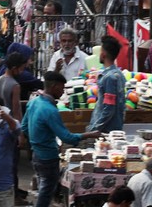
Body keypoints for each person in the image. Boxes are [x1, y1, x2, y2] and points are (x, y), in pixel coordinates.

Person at [24, 72, 99, 207]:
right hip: (48, 157)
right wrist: (89, 134)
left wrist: (36, 139)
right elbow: (66, 137)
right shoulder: (50, 110)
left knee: (44, 188)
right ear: (54, 86)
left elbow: (24, 127)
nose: (63, 92)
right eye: (62, 88)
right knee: (46, 192)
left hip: (36, 154)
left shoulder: (34, 103)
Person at [88, 35, 126, 132]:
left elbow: (109, 108)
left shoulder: (109, 78)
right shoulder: (119, 74)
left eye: (100, 52)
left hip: (106, 131)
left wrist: (95, 128)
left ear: (103, 54)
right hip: (114, 128)